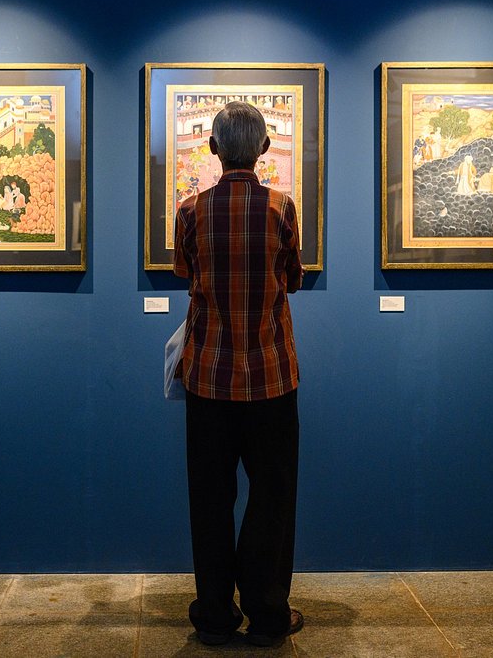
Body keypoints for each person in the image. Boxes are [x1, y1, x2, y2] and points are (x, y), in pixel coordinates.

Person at [173, 101, 304, 648]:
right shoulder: (281, 208)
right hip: (271, 377)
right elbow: (293, 280)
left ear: (213, 148)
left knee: (209, 499)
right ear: (265, 148)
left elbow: (184, 271)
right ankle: (267, 613)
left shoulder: (191, 211)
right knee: (272, 497)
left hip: (208, 378)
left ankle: (214, 617)